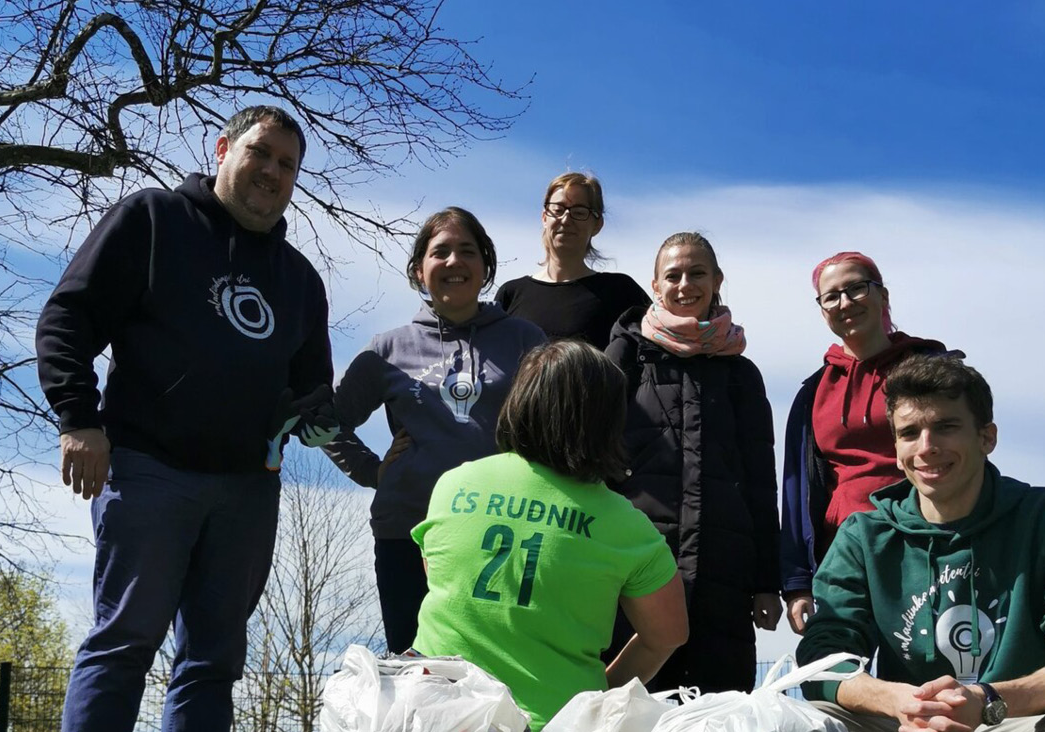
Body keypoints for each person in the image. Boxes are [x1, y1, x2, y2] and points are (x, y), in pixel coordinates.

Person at [36, 106, 337, 732]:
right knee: (124, 642)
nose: (273, 172)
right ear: (223, 148)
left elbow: (311, 391)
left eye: (288, 164)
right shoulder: (152, 220)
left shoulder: (301, 281)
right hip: (148, 469)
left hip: (247, 490)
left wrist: (337, 424)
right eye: (261, 153)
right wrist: (77, 418)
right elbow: (68, 318)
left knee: (212, 660)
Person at [797, 355, 1045, 732]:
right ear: (895, 449)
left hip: (1017, 718)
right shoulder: (863, 536)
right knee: (788, 720)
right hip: (904, 721)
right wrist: (899, 702)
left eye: (945, 427)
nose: (926, 447)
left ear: (986, 437)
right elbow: (823, 657)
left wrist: (986, 700)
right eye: (909, 433)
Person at [411, 340, 688, 730]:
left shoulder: (453, 485)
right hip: (556, 719)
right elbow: (668, 634)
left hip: (436, 714)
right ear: (607, 421)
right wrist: (600, 695)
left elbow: (439, 577)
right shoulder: (628, 527)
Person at [321, 207, 546, 653]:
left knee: (500, 673)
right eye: (439, 252)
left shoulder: (525, 340)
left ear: (486, 266)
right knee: (414, 671)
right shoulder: (387, 349)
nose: (453, 262)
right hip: (408, 529)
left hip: (503, 534)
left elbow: (555, 425)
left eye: (467, 251)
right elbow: (328, 423)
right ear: (419, 269)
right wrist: (373, 471)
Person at [603, 232, 780, 693]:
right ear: (655, 286)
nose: (685, 285)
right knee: (627, 711)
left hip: (724, 575)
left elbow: (761, 482)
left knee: (718, 712)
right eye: (673, 275)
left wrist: (766, 582)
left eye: (697, 273)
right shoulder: (625, 357)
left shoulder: (742, 373)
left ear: (717, 279)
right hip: (634, 569)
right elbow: (593, 462)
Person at [781, 252, 959, 634]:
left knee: (927, 662)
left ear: (882, 295)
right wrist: (796, 582)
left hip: (924, 543)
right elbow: (796, 489)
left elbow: (964, 450)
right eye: (831, 296)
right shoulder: (813, 393)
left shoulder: (929, 367)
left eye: (856, 288)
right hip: (843, 551)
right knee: (836, 670)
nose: (844, 303)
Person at [495, 172, 650, 349]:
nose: (566, 219)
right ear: (545, 217)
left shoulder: (620, 291)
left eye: (579, 212)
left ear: (597, 224)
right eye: (558, 210)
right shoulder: (511, 294)